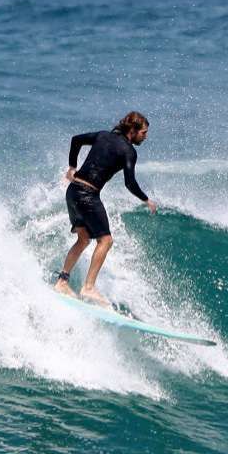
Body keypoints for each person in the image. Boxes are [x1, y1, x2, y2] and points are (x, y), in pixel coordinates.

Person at [53, 111, 158, 307]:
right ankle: (88, 287)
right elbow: (130, 183)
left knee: (83, 239)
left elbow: (76, 140)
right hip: (88, 195)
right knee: (106, 241)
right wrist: (146, 200)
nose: (145, 136)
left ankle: (62, 281)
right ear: (132, 130)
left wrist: (72, 168)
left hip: (73, 191)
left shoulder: (102, 135)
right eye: (143, 132)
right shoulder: (129, 151)